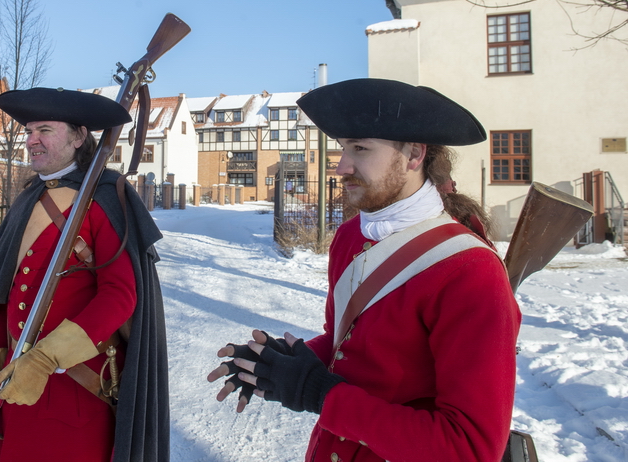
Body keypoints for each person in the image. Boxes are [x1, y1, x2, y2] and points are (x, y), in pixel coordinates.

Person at [207, 78, 521, 462]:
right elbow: (347, 342)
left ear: (414, 155)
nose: (342, 165)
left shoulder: (472, 272)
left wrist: (320, 394)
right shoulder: (351, 237)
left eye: (360, 148)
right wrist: (282, 362)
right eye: (343, 147)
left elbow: (469, 448)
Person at [0, 87, 169, 462]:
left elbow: (120, 296)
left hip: (78, 396)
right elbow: (0, 298)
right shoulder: (26, 201)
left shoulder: (106, 197)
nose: (32, 140)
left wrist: (46, 358)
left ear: (78, 136)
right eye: (29, 131)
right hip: (14, 393)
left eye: (45, 130)